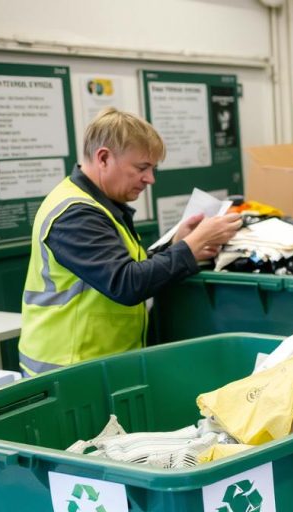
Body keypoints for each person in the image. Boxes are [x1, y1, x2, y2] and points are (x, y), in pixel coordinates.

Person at [19, 108, 242, 375]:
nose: (150, 179)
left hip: (99, 365)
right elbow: (125, 283)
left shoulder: (104, 205)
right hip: (69, 369)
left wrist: (177, 245)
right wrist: (191, 246)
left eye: (152, 168)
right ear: (103, 158)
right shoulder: (75, 214)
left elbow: (126, 268)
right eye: (142, 168)